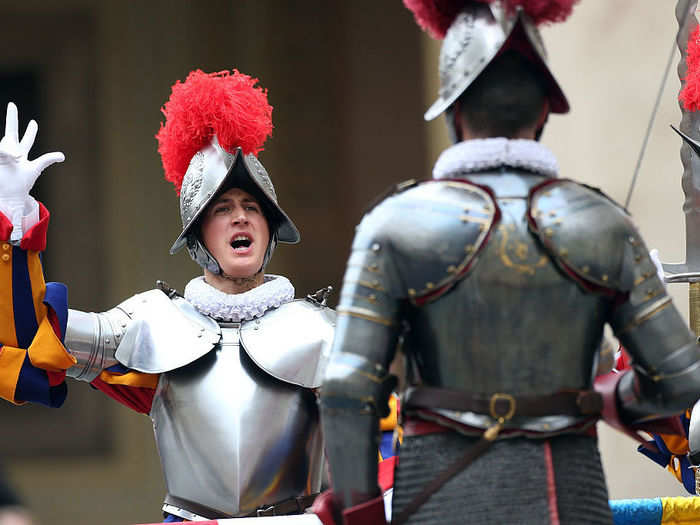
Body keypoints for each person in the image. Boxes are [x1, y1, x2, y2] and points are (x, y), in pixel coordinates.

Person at [315, 1, 700, 524]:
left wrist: (361, 515)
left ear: (453, 110)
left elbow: (347, 387)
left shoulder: (395, 223)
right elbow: (678, 380)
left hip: (440, 501)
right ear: (544, 110)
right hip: (566, 499)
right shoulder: (601, 222)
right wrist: (605, 394)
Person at [0, 69, 334, 521]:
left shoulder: (322, 332)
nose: (240, 218)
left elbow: (383, 450)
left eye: (252, 207)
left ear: (270, 230)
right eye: (223, 209)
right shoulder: (152, 324)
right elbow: (35, 343)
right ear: (198, 237)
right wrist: (15, 227)